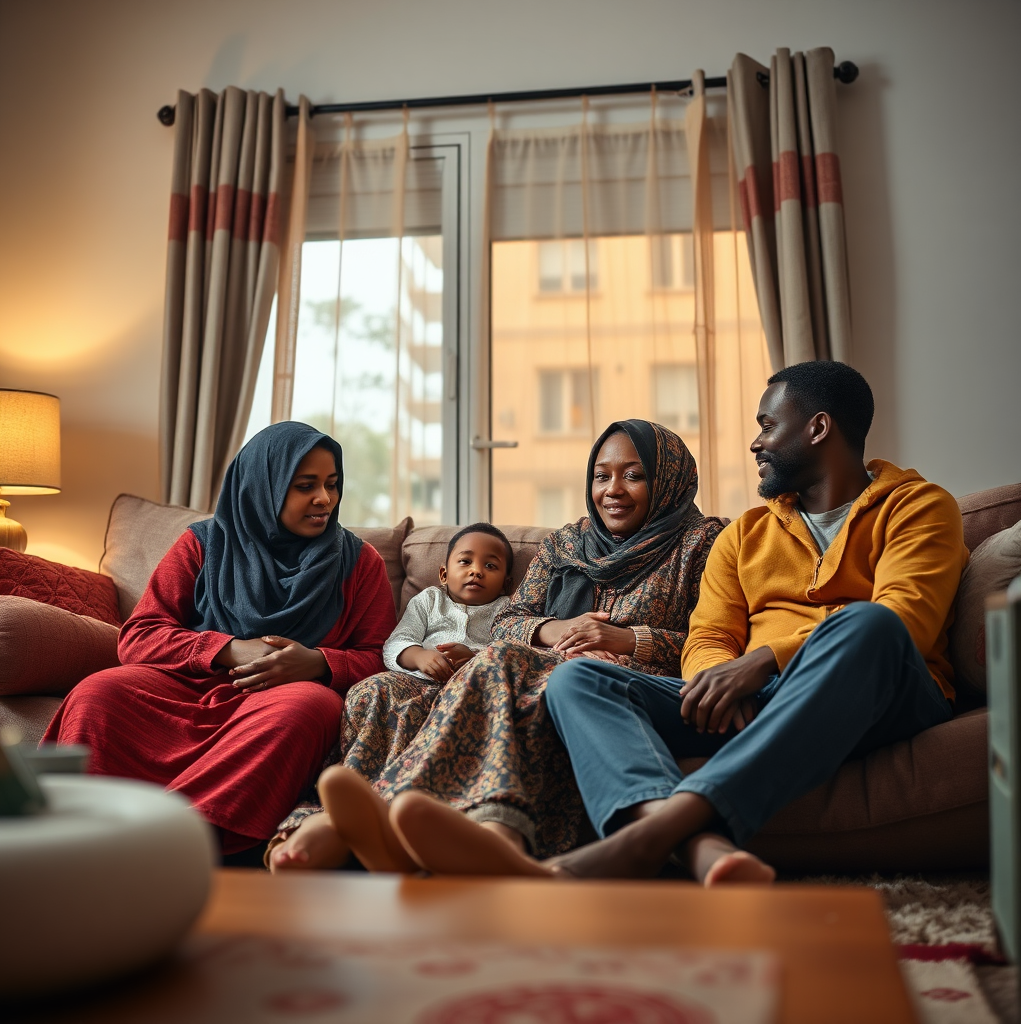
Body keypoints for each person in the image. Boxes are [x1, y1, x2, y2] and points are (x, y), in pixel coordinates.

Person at [394, 361, 968, 882]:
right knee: (579, 679)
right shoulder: (745, 535)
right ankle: (700, 848)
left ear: (817, 429)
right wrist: (719, 678)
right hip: (766, 695)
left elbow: (905, 616)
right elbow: (710, 635)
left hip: (884, 691)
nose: (756, 441)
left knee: (866, 623)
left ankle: (655, 833)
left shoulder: (917, 506)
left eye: (768, 426)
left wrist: (759, 662)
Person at [271, 419, 725, 873]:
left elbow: (718, 640)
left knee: (500, 662)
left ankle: (396, 818)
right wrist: (561, 631)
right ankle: (377, 828)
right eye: (602, 475)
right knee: (385, 690)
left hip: (629, 682)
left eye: (635, 475)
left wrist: (626, 640)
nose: (613, 490)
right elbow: (510, 620)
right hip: (547, 662)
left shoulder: (702, 544)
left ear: (668, 480)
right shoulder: (567, 543)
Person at [43, 421, 396, 856]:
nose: (325, 499)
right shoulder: (204, 544)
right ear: (262, 486)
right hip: (187, 685)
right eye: (305, 486)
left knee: (309, 709)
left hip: (277, 698)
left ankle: (182, 837)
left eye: (332, 484)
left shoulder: (360, 563)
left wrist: (319, 663)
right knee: (98, 692)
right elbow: (139, 636)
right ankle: (77, 829)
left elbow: (383, 657)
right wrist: (227, 649)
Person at [268, 523, 514, 871]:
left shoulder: (508, 610)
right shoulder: (429, 600)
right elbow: (396, 643)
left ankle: (383, 814)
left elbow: (512, 652)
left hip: (465, 692)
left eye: (491, 566)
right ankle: (341, 803)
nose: (476, 570)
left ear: (505, 581)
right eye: (465, 561)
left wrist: (473, 654)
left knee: (432, 711)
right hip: (412, 682)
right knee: (372, 689)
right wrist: (419, 656)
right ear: (444, 573)